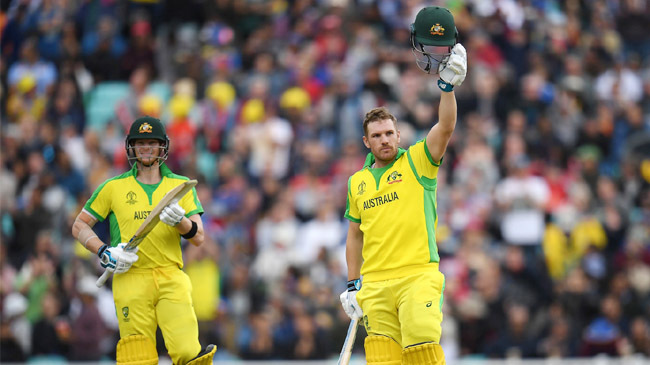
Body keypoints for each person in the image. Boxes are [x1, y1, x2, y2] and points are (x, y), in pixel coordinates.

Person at [339, 6, 467, 365]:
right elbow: (354, 235)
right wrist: (352, 283)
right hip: (375, 283)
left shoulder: (417, 161)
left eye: (390, 133)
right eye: (376, 136)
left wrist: (447, 88)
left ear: (399, 134)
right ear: (367, 142)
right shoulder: (357, 183)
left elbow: (445, 127)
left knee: (422, 353)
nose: (384, 140)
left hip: (417, 276)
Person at [71, 116, 216, 365]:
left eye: (152, 143)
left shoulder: (180, 186)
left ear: (163, 147)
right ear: (131, 147)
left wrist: (180, 220)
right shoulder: (112, 187)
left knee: (188, 353)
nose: (146, 148)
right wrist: (104, 252)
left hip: (170, 276)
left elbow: (199, 237)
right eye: (141, 143)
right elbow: (79, 225)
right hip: (131, 278)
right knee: (137, 358)